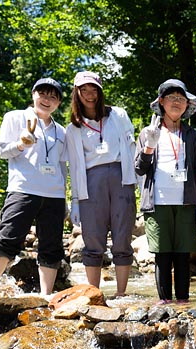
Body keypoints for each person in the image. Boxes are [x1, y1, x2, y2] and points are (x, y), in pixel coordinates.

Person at [0, 78, 67, 299]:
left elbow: (62, 166)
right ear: (33, 94)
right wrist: (21, 144)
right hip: (23, 190)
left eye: (53, 97)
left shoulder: (61, 131)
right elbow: (2, 151)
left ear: (59, 103)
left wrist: (65, 198)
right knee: (6, 240)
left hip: (53, 194)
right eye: (43, 94)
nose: (47, 100)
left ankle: (46, 297)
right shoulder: (15, 117)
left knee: (52, 247)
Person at [135, 79, 196, 304]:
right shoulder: (148, 132)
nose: (176, 103)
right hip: (157, 203)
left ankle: (183, 303)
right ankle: (165, 304)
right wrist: (149, 146)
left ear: (187, 105)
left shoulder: (193, 135)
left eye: (181, 99)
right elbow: (139, 168)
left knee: (183, 255)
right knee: (162, 255)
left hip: (186, 202)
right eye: (172, 98)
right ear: (162, 102)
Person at [66, 71, 137, 297]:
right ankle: (93, 293)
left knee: (122, 235)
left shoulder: (118, 114)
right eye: (84, 90)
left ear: (100, 91)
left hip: (121, 179)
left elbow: (132, 147)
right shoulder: (73, 127)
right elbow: (75, 165)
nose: (90, 94)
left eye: (93, 89)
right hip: (91, 182)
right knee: (93, 238)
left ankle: (122, 292)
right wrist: (75, 201)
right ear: (77, 93)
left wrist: (138, 181)